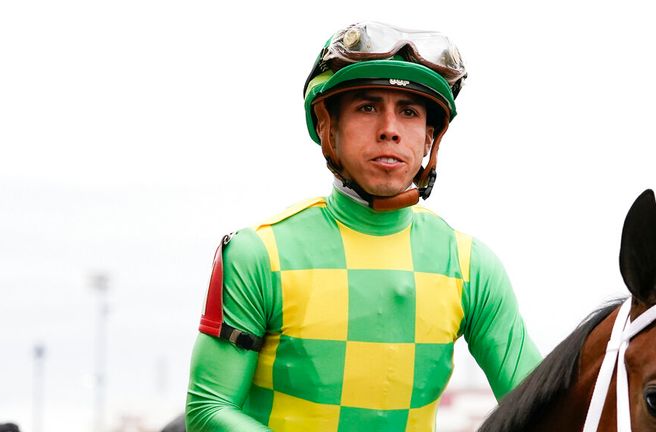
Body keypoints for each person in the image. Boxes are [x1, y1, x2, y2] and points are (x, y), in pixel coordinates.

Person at [186, 21, 541, 431]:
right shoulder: (256, 255)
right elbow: (207, 412)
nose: (389, 129)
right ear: (326, 127)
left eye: (408, 111)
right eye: (368, 107)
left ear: (429, 138)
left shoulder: (472, 267)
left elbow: (545, 408)